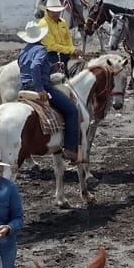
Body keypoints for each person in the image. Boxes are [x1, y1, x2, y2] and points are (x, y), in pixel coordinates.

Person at [16, 22, 83, 164]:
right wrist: (40, 88)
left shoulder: (24, 51)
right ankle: (70, 148)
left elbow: (30, 68)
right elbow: (35, 67)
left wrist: (53, 67)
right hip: (41, 88)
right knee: (71, 110)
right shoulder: (41, 49)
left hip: (25, 88)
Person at [35, 0, 77, 69]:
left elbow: (68, 38)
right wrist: (71, 50)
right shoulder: (44, 24)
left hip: (65, 52)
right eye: (53, 12)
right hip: (50, 55)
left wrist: (72, 50)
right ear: (47, 11)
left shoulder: (62, 22)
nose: (56, 14)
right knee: (58, 76)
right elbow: (51, 46)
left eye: (58, 12)